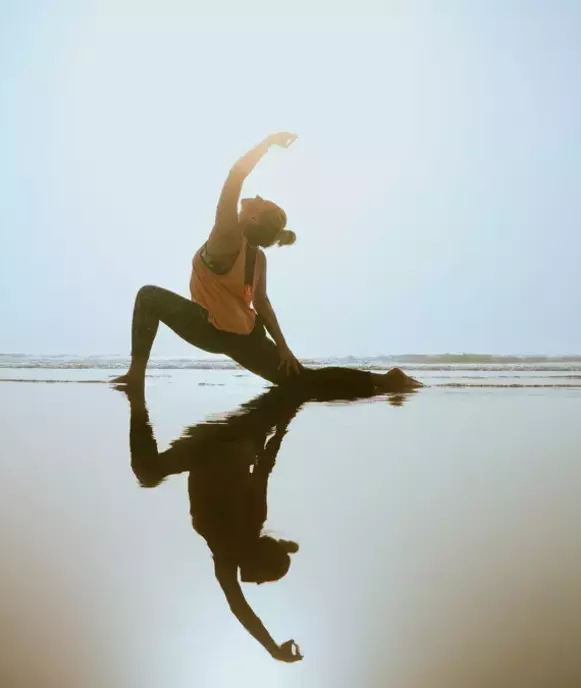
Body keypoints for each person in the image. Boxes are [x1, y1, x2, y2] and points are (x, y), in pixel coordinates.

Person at [110, 132, 421, 394]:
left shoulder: (227, 234)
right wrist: (283, 347)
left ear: (255, 216)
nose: (256, 196)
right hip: (245, 337)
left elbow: (235, 176)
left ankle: (136, 376)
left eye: (261, 200)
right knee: (304, 383)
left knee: (148, 296)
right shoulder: (257, 257)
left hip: (211, 330)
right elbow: (261, 302)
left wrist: (267, 142)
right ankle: (384, 381)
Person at [123, 385, 316, 662]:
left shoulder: (235, 544)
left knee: (150, 473)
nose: (258, 583)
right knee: (147, 473)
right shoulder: (232, 546)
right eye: (264, 577)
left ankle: (138, 404)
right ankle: (137, 404)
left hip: (221, 448)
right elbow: (239, 606)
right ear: (258, 560)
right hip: (217, 447)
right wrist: (280, 429)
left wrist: (278, 430)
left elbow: (263, 469)